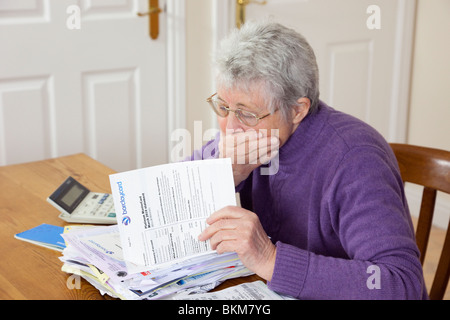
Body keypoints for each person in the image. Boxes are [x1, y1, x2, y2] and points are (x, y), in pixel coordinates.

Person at [192, 20, 427, 299]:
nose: (229, 128)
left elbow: (400, 284)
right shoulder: (245, 136)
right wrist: (226, 170)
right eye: (223, 107)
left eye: (246, 113)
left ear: (297, 110)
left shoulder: (356, 160)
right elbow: (167, 194)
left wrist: (270, 259)